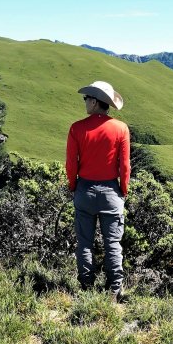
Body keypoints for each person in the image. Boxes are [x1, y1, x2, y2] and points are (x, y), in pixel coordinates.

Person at [66, 80, 130, 301]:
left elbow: (71, 165)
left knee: (85, 241)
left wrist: (73, 186)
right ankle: (115, 289)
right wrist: (123, 190)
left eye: (86, 99)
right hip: (111, 191)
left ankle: (86, 286)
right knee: (112, 242)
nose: (84, 102)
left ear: (94, 101)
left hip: (84, 189)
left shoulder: (77, 128)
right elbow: (125, 166)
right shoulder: (121, 128)